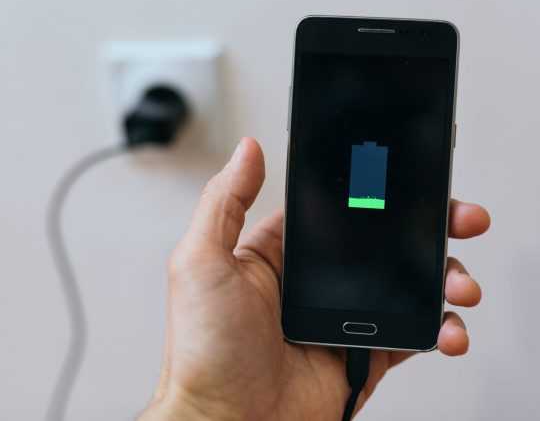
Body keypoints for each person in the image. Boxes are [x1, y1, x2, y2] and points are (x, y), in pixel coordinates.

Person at [139, 138, 490, 420]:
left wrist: (205, 412)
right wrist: (209, 408)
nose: (354, 207)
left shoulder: (405, 276)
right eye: (330, 184)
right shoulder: (297, 279)